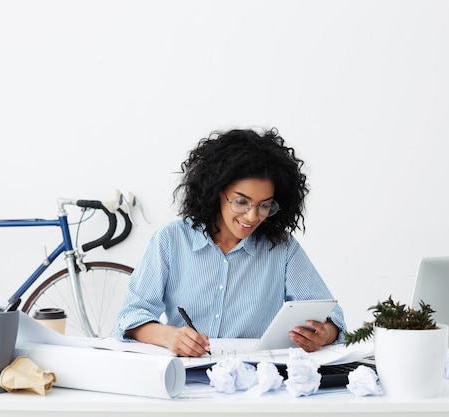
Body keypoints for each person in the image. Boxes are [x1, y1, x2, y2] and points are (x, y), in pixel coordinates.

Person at [115, 127, 346, 357]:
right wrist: (169, 336)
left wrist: (323, 334)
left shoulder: (283, 249)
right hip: (186, 375)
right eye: (241, 201)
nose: (252, 216)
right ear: (217, 191)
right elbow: (132, 316)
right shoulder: (170, 241)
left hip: (255, 380)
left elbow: (333, 318)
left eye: (264, 205)